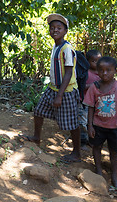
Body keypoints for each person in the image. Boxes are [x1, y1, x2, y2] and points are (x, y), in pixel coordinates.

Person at [20, 14, 81, 163]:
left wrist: (59, 95)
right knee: (39, 111)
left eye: (59, 28)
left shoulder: (67, 49)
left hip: (65, 91)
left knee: (72, 123)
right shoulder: (56, 46)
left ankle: (77, 153)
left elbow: (68, 73)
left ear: (65, 31)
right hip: (52, 88)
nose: (55, 30)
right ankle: (36, 137)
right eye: (52, 28)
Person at [83, 56, 117, 190]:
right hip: (98, 125)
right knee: (96, 147)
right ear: (97, 71)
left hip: (116, 126)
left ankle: (114, 177)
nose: (104, 73)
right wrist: (90, 125)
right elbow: (90, 106)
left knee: (114, 151)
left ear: (115, 71)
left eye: (108, 70)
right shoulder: (94, 87)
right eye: (101, 70)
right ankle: (98, 171)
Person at [78, 50, 102, 148]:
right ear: (87, 61)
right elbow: (81, 87)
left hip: (96, 103)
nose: (97, 63)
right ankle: (82, 141)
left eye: (99, 61)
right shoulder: (85, 73)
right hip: (83, 101)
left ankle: (91, 140)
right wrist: (92, 85)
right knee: (82, 122)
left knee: (93, 122)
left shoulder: (102, 73)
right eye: (94, 61)